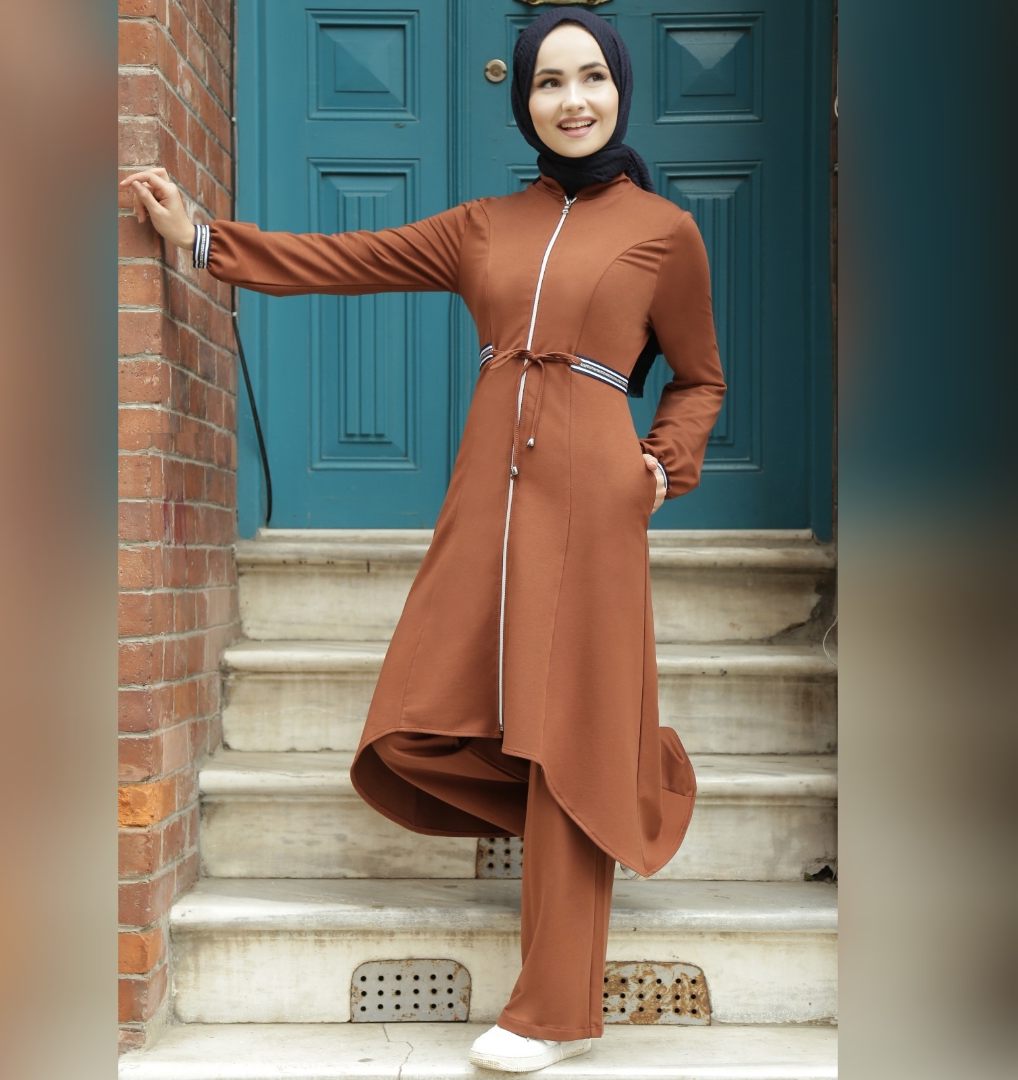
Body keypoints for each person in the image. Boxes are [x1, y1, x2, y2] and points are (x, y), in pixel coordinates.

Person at [122, 8, 725, 1074]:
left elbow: (699, 377)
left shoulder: (665, 232)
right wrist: (202, 240)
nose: (573, 100)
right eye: (549, 82)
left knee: (568, 738)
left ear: (621, 89)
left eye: (591, 77)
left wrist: (660, 465)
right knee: (408, 729)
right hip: (488, 493)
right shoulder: (484, 225)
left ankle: (553, 1013)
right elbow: (347, 257)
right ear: (524, 101)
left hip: (596, 500)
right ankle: (616, 793)